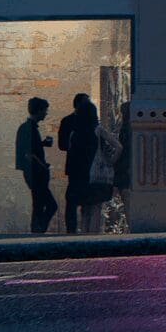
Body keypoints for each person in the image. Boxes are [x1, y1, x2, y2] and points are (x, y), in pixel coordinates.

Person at [54, 92, 109, 233]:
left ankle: (79, 229)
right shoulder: (85, 124)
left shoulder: (76, 123)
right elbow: (63, 145)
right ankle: (77, 229)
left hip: (78, 166)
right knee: (79, 199)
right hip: (83, 166)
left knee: (75, 199)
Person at [14, 97, 58, 235]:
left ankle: (37, 232)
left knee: (38, 205)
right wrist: (43, 166)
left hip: (34, 172)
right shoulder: (29, 129)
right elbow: (28, 154)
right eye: (45, 110)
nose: (46, 113)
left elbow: (30, 149)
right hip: (35, 173)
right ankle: (38, 231)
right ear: (39, 110)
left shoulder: (27, 128)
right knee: (49, 205)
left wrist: (42, 144)